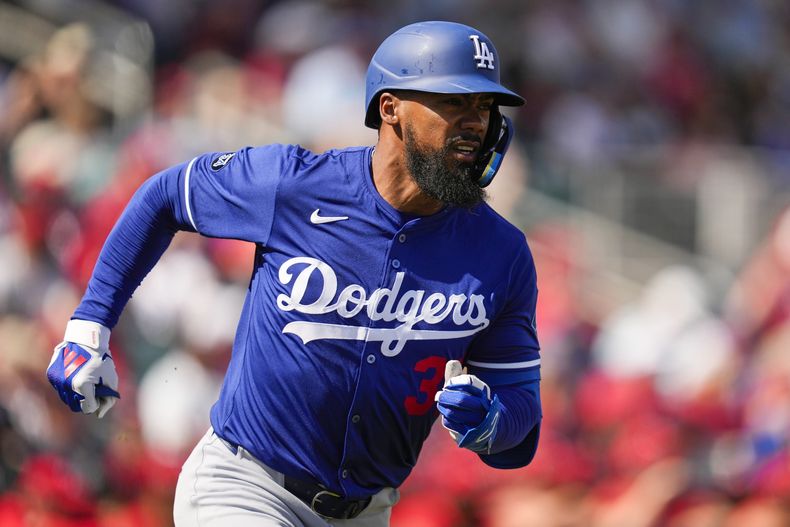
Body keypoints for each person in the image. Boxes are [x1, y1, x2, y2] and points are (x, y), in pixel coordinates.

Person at [46, 20, 543, 526]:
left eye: (485, 106)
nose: (476, 122)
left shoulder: (503, 253)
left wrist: (493, 423)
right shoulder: (294, 185)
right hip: (246, 487)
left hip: (368, 512)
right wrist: (89, 325)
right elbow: (165, 196)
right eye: (455, 102)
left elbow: (520, 426)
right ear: (390, 108)